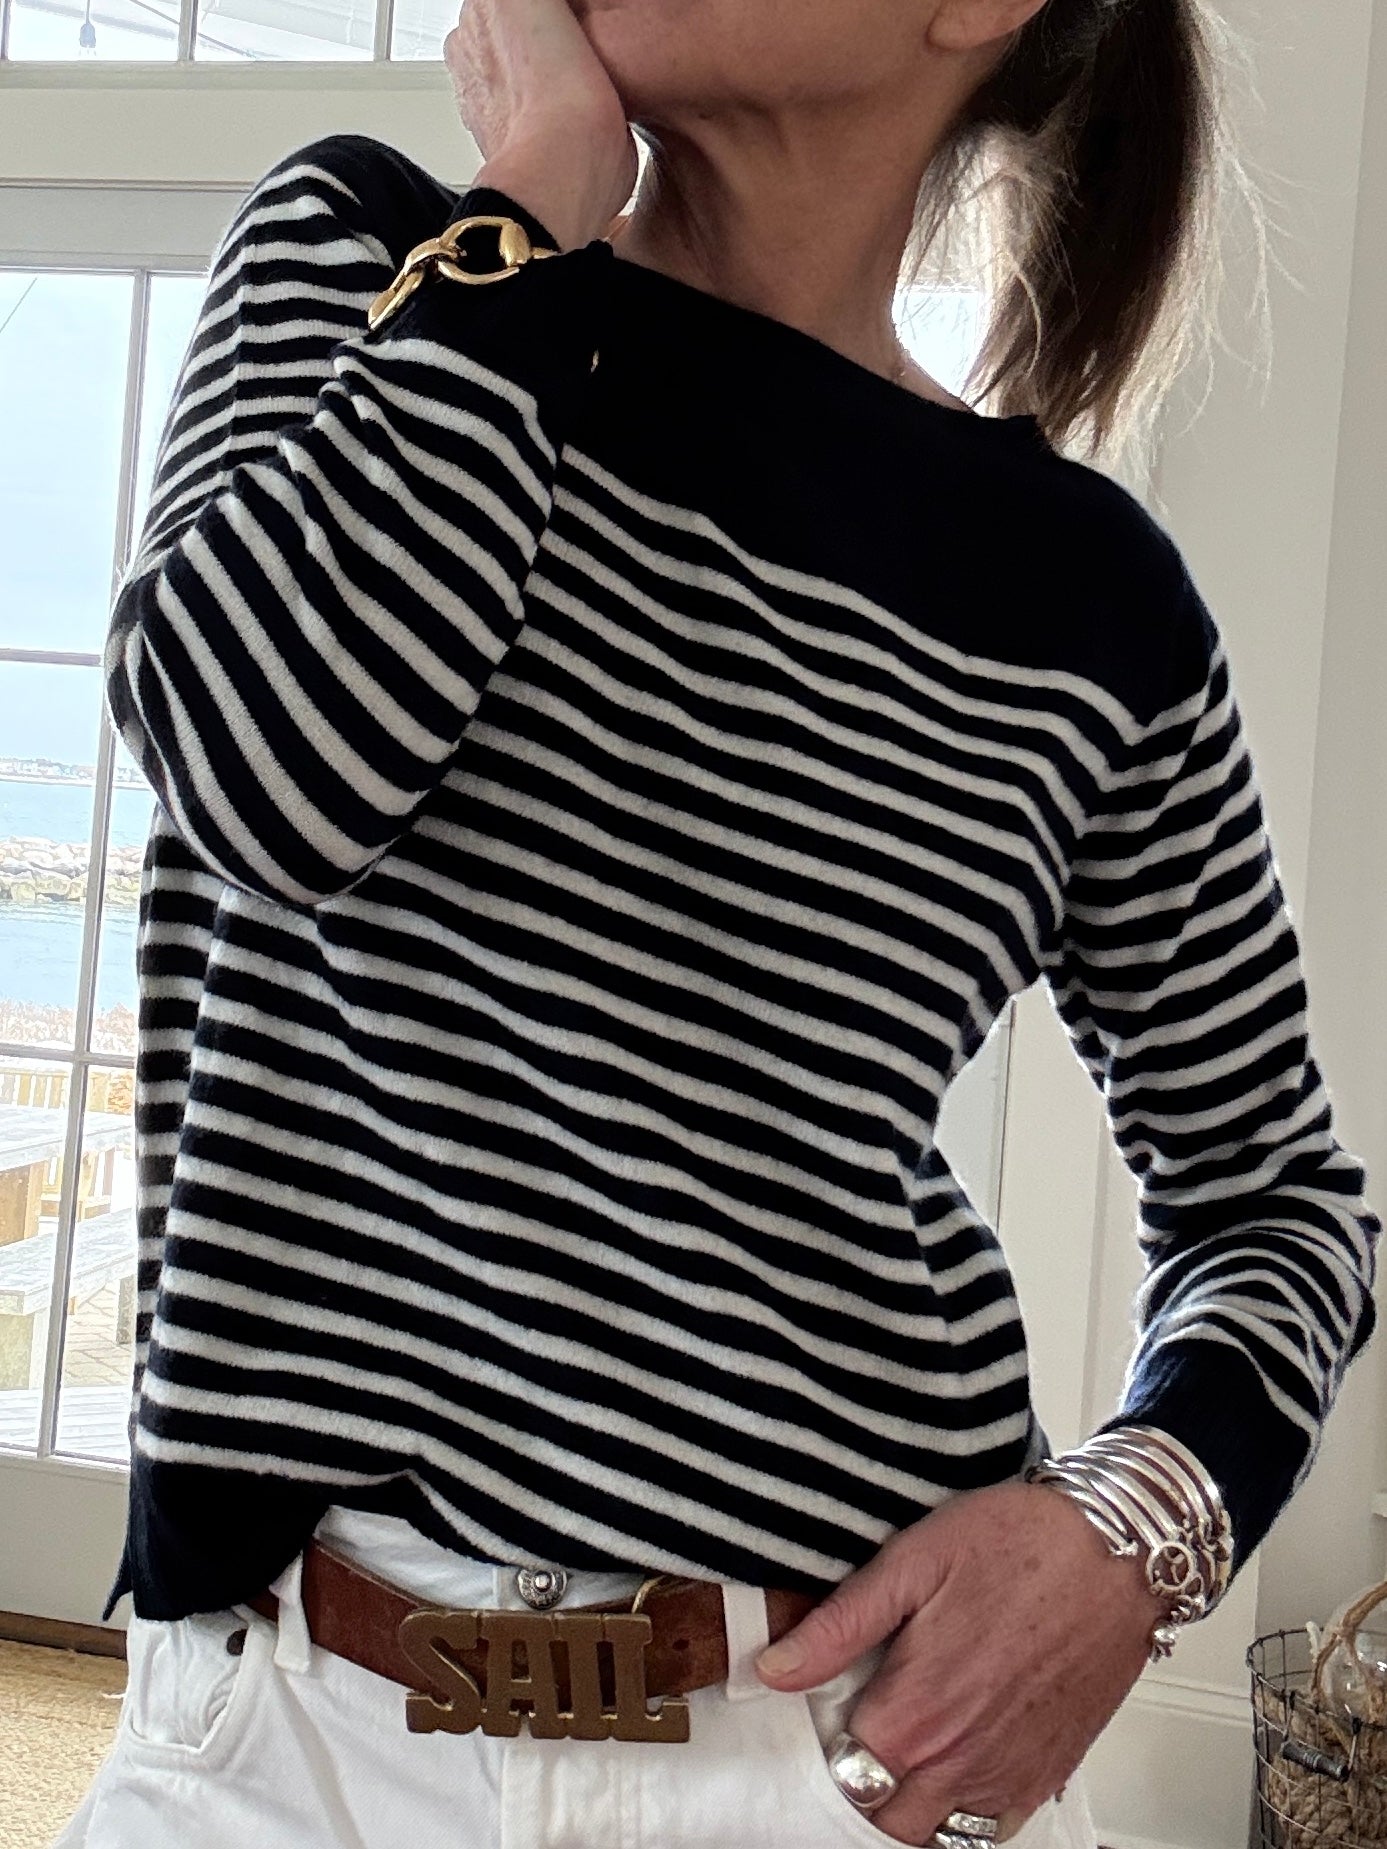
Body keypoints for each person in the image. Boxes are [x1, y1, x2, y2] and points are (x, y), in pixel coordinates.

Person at [56, 0, 1380, 1844]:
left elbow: (1275, 1200)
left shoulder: (1088, 602)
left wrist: (1128, 1534)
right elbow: (271, 769)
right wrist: (535, 205)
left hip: (831, 1756)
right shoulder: (380, 259)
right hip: (289, 1739)